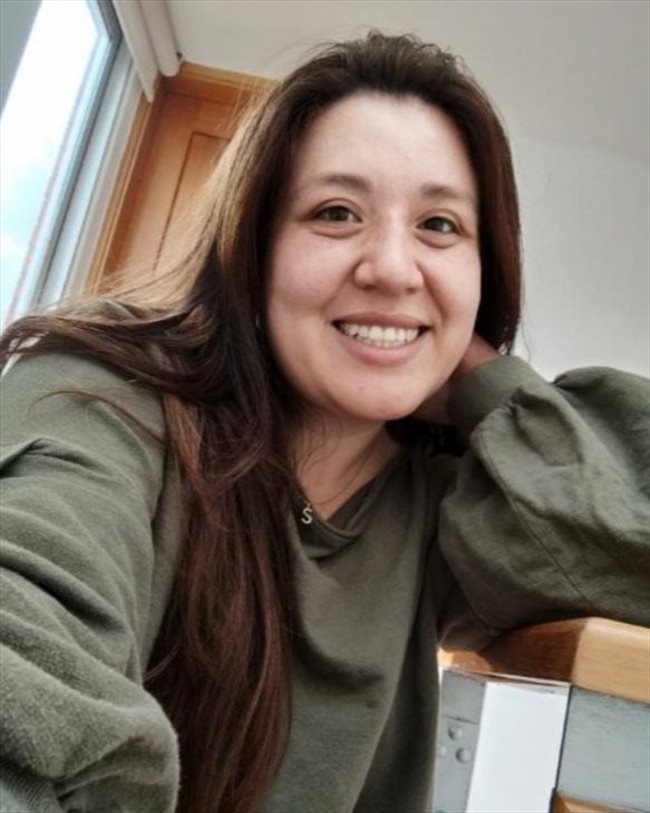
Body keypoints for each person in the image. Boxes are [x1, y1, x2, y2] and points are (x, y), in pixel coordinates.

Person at [0, 31, 648, 813]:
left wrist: (480, 381)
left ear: (486, 269)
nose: (393, 269)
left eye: (440, 225)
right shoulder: (103, 391)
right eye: (336, 213)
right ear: (256, 248)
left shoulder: (455, 512)